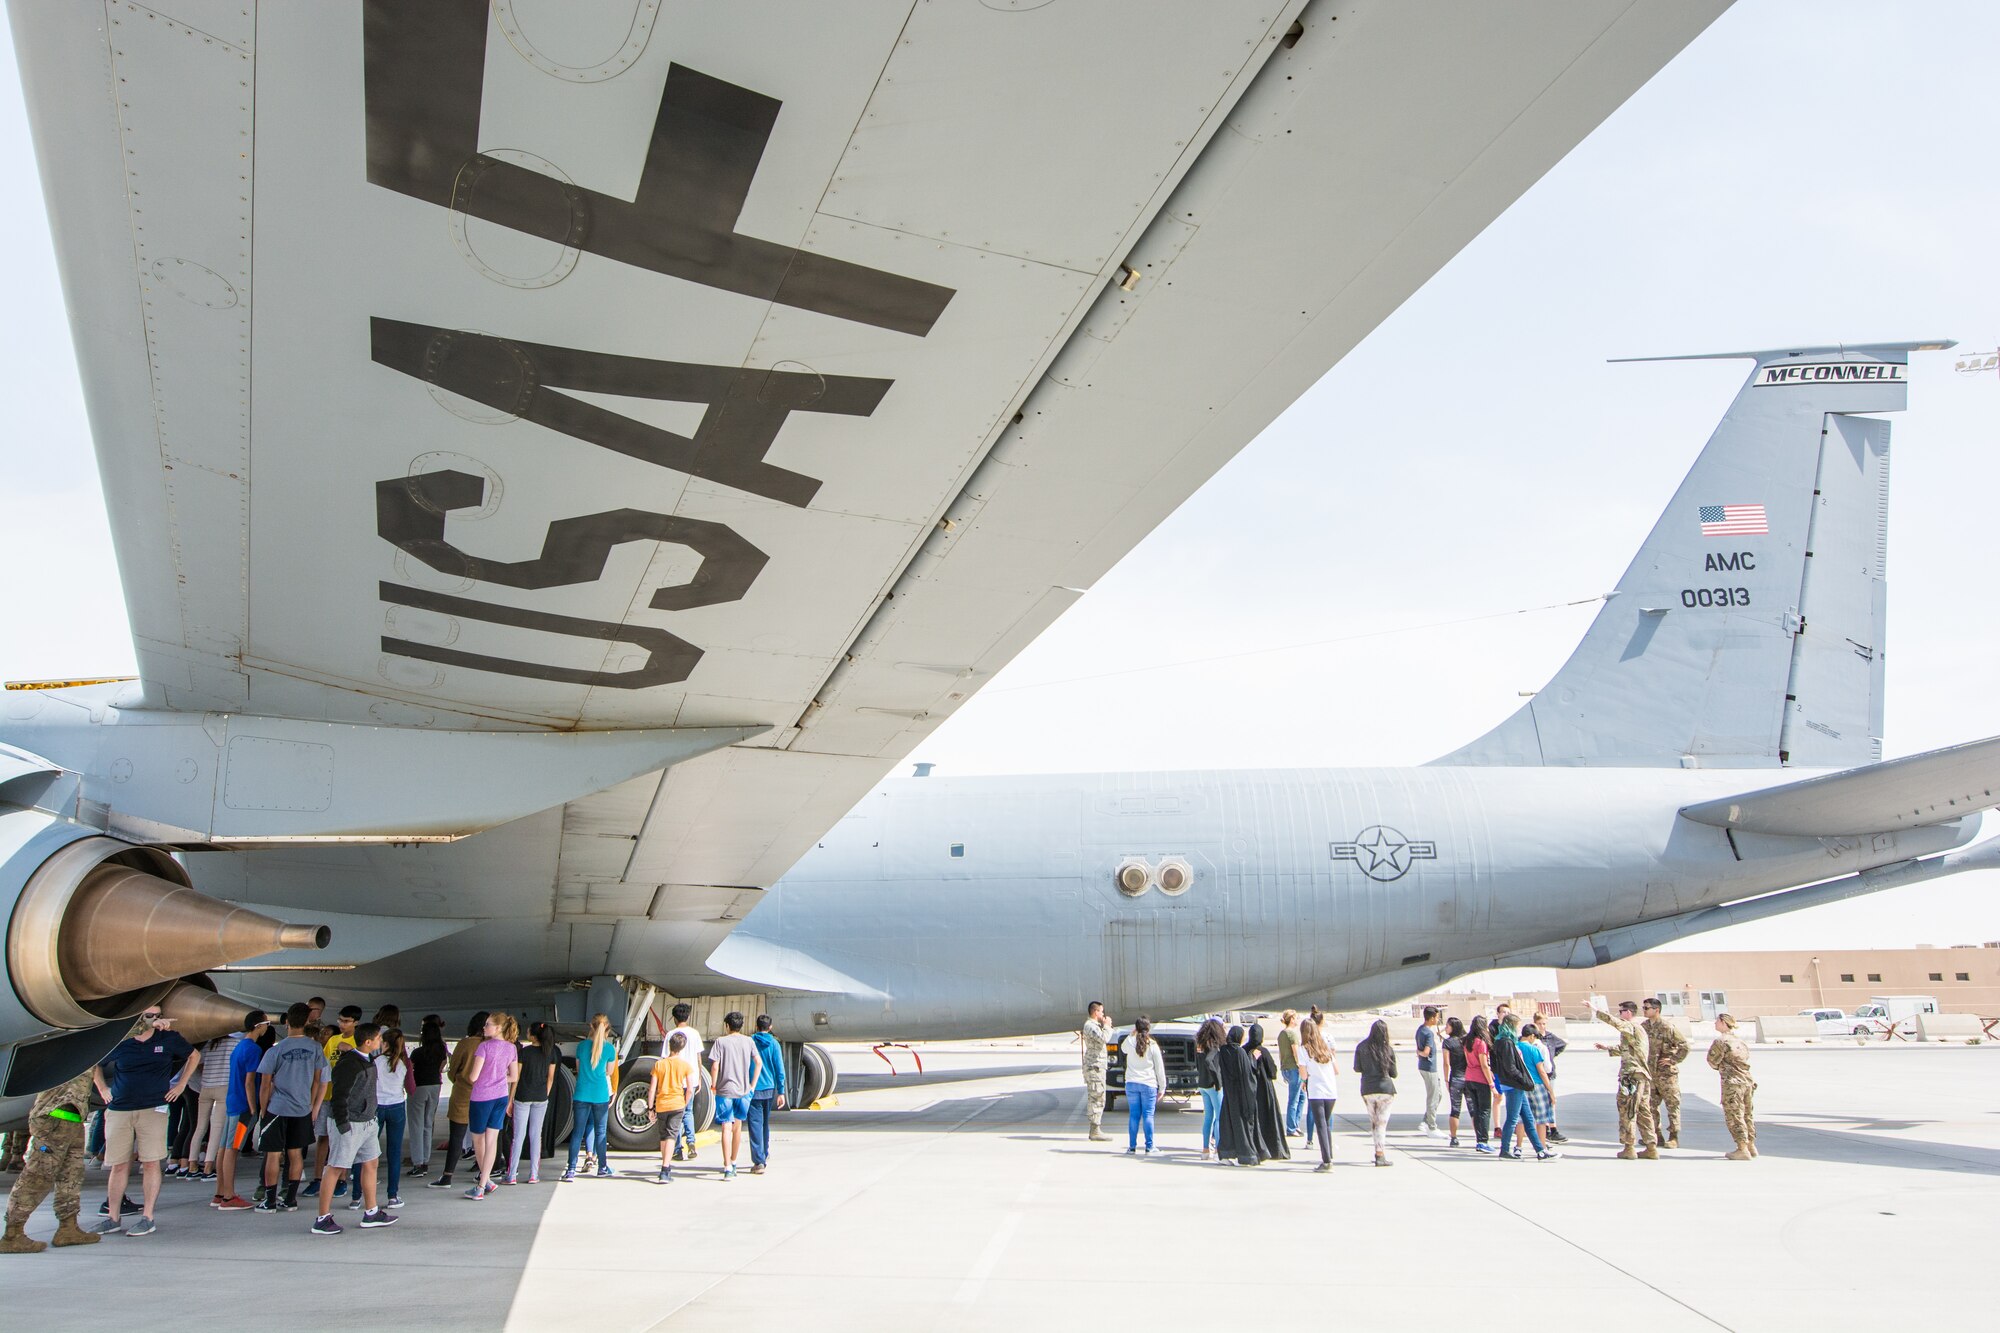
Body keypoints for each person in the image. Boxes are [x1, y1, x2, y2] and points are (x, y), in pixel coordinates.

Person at [91, 1007, 199, 1236]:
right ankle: (113, 1216)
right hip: (120, 1107)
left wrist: (180, 1086)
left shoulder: (168, 1039)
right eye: (148, 1015)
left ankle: (147, 1216)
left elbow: (194, 1055)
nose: (154, 1018)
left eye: (157, 1014)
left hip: (153, 1107)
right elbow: (96, 1062)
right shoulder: (123, 1041)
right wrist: (102, 1088)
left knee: (150, 1162)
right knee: (118, 1165)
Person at [1, 1068, 101, 1253]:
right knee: (39, 1174)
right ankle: (12, 1234)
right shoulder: (71, 1043)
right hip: (55, 1115)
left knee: (71, 1174)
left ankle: (68, 1227)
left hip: (73, 1116)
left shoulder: (89, 1047)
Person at [313, 1023, 397, 1234]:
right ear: (368, 1042)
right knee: (335, 1167)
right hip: (349, 1123)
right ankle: (322, 1218)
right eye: (378, 1039)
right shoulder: (349, 1064)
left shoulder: (367, 1059)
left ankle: (371, 1212)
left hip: (367, 1122)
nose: (380, 1042)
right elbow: (339, 1096)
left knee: (371, 1163)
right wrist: (343, 1125)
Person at [256, 1002, 328, 1213]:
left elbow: (265, 1084)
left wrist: (263, 1109)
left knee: (273, 1154)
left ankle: (269, 1201)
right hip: (302, 1108)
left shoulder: (275, 1050)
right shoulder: (315, 1048)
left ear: (286, 1021)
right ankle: (290, 1199)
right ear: (307, 1021)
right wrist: (310, 1104)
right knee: (295, 1153)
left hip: (277, 1108)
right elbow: (317, 1081)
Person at [305, 1004, 363, 1201]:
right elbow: (323, 1068)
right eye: (340, 1020)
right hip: (328, 1096)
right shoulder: (332, 1040)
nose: (342, 1024)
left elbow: (365, 1066)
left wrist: (350, 1051)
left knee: (343, 1140)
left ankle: (341, 1179)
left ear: (356, 1023)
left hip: (346, 1098)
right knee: (322, 1137)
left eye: (346, 1021)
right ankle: (317, 1177)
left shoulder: (359, 1042)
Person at [214, 1009, 269, 1210]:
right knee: (233, 1148)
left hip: (232, 1102)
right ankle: (228, 1196)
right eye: (266, 1024)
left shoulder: (239, 1046)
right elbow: (249, 1082)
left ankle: (220, 1192)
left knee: (224, 1147)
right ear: (259, 1026)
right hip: (243, 1106)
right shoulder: (253, 1050)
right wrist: (254, 1108)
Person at [462, 1012, 519, 1199]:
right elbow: (514, 1076)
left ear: (498, 1028)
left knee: (478, 1140)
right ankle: (486, 1181)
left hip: (481, 1097)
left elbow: (473, 1077)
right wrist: (499, 1078)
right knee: (492, 1140)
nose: (484, 1028)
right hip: (500, 1096)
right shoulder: (511, 1049)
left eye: (488, 1025)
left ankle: (481, 1184)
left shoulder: (483, 1047)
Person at [1592, 999, 1658, 1160]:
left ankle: (1629, 1147)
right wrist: (1607, 1048)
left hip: (1631, 1076)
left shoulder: (1631, 1025)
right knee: (1643, 1111)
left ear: (1628, 1013)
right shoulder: (1639, 1030)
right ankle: (1651, 1146)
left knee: (1627, 1109)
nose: (1619, 1015)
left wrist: (1595, 1009)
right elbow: (1626, 1049)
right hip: (1641, 1075)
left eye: (1621, 1012)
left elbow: (1616, 1023)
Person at [427, 1011, 485, 1190]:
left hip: (462, 1093)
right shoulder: (491, 1045)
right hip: (484, 1094)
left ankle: (447, 1176)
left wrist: (459, 1079)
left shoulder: (465, 1044)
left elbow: (453, 1070)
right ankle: (485, 1172)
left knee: (457, 1137)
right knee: (484, 1137)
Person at [708, 1011, 762, 1180]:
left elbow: (715, 1066)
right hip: (743, 1091)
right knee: (737, 1127)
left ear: (727, 1025)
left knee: (726, 1127)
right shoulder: (748, 1041)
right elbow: (758, 1063)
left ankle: (727, 1166)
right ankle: (734, 1160)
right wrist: (752, 1085)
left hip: (724, 1091)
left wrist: (713, 1085)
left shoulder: (720, 1042)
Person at [1491, 1015, 1553, 1161]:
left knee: (1528, 1118)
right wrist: (1524, 1080)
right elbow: (1510, 1067)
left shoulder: (1501, 1041)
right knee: (1513, 1119)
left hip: (1513, 1084)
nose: (1518, 1029)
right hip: (1514, 1085)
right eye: (1516, 1025)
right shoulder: (1506, 1042)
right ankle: (1504, 1150)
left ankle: (1540, 1151)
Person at [566, 1013, 619, 1182]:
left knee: (578, 1132)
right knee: (601, 1132)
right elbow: (609, 1072)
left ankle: (571, 1170)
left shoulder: (581, 1047)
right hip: (600, 1094)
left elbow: (579, 1068)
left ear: (591, 1027)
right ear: (607, 1030)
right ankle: (602, 1167)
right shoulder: (610, 1049)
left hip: (582, 1093)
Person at [506, 1022, 557, 1185]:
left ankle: (512, 1174)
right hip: (541, 1097)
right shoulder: (551, 1053)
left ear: (532, 1036)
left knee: (518, 1137)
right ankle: (534, 1174)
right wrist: (545, 1094)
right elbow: (550, 1078)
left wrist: (510, 1099)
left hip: (523, 1097)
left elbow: (516, 1078)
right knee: (536, 1136)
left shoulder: (524, 1052)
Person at [1640, 998, 1691, 1149]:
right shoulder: (1643, 1027)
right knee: (1650, 1106)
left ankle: (1674, 1136)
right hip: (1650, 1073)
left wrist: (1673, 1060)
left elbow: (1684, 1046)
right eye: (1643, 1007)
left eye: (1647, 1008)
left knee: (1672, 1105)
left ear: (1656, 1010)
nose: (1644, 1010)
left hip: (1666, 1074)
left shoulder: (1667, 1027)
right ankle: (1656, 1135)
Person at [648, 1032, 698, 1183]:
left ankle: (666, 1165)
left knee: (664, 1136)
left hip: (662, 1104)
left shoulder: (659, 1064)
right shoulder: (685, 1066)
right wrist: (684, 1102)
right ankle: (665, 1169)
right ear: (682, 1048)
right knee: (671, 1136)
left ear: (669, 1045)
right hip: (677, 1104)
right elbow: (690, 1089)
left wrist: (651, 1108)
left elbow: (652, 1089)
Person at [1707, 1013, 1758, 1160]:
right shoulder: (1739, 1041)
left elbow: (1712, 1061)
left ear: (1723, 1023)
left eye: (1717, 1021)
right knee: (1747, 1114)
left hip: (1732, 1082)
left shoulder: (1721, 1041)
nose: (1715, 1023)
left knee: (1734, 1115)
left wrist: (1724, 1068)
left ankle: (1742, 1148)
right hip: (1747, 1081)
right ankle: (1751, 1145)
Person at [1214, 1027, 1265, 1166]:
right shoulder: (1240, 1052)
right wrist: (1254, 1059)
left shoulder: (1223, 1050)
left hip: (1228, 1093)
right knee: (1241, 1125)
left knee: (1227, 1124)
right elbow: (1247, 1074)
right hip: (1240, 1093)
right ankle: (1245, 1155)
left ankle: (1225, 1154)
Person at [372, 1028, 411, 1207]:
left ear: (384, 1043)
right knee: (394, 1153)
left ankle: (357, 1197)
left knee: (367, 1151)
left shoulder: (375, 1062)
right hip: (396, 1106)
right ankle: (393, 1195)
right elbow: (411, 1087)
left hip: (377, 1106)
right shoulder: (403, 1063)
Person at [1352, 1019, 1398, 1167]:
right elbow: (1394, 1073)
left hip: (1368, 1088)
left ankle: (1378, 1152)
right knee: (1382, 1123)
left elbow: (1357, 1068)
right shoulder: (1388, 1049)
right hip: (1385, 1089)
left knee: (1374, 1122)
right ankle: (1380, 1154)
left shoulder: (1362, 1047)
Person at [1297, 1018, 1339, 1173]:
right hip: (1331, 1090)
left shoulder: (1304, 1049)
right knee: (1326, 1123)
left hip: (1316, 1091)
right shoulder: (1325, 1048)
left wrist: (1305, 1078)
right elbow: (1336, 1070)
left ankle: (1326, 1161)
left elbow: (1303, 1073)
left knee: (1320, 1124)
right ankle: (1330, 1156)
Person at [1120, 1017, 1167, 1155]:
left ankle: (1132, 1147)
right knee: (1148, 1115)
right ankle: (1149, 1146)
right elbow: (1159, 1068)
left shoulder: (1130, 1042)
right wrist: (1162, 1087)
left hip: (1132, 1083)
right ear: (1149, 1028)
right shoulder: (1152, 1045)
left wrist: (1131, 1034)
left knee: (1134, 1115)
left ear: (1136, 1028)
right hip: (1148, 1083)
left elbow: (1123, 1049)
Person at [747, 1015, 787, 1175]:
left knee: (755, 1124)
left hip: (753, 1087)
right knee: (764, 1123)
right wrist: (781, 1091)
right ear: (770, 1027)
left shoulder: (750, 1041)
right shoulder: (774, 1044)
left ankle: (759, 1161)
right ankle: (765, 1151)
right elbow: (779, 1068)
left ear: (756, 1026)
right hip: (769, 1089)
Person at [1244, 1024, 1291, 1162]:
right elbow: (1272, 1071)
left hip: (1249, 1091)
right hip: (1264, 1091)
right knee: (1268, 1119)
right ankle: (1272, 1150)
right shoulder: (1263, 1051)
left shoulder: (1243, 1050)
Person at [407, 1016, 447, 1176]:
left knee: (416, 1124)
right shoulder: (441, 1050)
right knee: (428, 1124)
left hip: (419, 1086)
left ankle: (418, 1163)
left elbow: (410, 1069)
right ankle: (425, 1160)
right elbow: (442, 1065)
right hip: (435, 1086)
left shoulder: (417, 1052)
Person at [669, 1002, 704, 1161]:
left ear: (674, 1018)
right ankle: (691, 1143)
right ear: (688, 1017)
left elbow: (667, 1058)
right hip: (692, 1078)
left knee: (676, 1115)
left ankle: (677, 1149)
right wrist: (699, 1078)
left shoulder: (671, 1034)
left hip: (676, 1079)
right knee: (688, 1112)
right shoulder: (695, 1033)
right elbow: (698, 1057)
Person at [1528, 1018, 1569, 1144]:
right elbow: (1542, 1068)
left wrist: (1552, 1055)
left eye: (1544, 1023)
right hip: (1539, 1077)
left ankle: (1552, 1129)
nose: (1542, 1026)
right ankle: (1543, 1134)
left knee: (1550, 1103)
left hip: (1549, 1075)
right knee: (1541, 1106)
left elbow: (1561, 1045)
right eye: (1539, 1024)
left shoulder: (1550, 1038)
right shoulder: (1534, 1043)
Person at [1079, 1001, 1113, 1143]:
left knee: (1099, 1096)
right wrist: (1107, 1026)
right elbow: (1104, 1038)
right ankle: (1095, 1130)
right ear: (1095, 1012)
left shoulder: (1094, 1026)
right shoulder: (1090, 1026)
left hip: (1097, 1067)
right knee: (1096, 1097)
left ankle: (1096, 1128)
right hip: (1094, 1067)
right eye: (1101, 1012)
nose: (1103, 1015)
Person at [1461, 1016, 1496, 1154]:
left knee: (1476, 1110)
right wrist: (1491, 1084)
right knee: (1485, 1110)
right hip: (1480, 1079)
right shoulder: (1481, 1043)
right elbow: (1484, 1065)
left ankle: (1479, 1139)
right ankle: (1483, 1140)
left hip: (1469, 1077)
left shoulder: (1467, 1042)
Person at [1193, 1018, 1226, 1161]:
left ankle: (1205, 1149)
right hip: (1213, 1086)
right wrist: (1217, 1081)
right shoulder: (1214, 1046)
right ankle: (1218, 1149)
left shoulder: (1200, 1045)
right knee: (1219, 1118)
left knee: (1208, 1117)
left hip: (1202, 1084)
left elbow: (1199, 1063)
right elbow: (1209, 1061)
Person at [1415, 1005, 1444, 1138]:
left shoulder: (1420, 1030)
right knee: (1433, 1097)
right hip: (1429, 1067)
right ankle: (1431, 1126)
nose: (1438, 1020)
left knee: (1438, 1094)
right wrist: (1420, 1053)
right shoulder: (1428, 1033)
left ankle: (1426, 1121)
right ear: (1432, 1018)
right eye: (1437, 1017)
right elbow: (1426, 1052)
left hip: (1424, 1066)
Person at [1277, 1010, 1306, 1137]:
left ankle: (1295, 1124)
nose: (1298, 1020)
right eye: (1296, 1018)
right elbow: (1296, 1053)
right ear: (1292, 1019)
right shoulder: (1292, 1034)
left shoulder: (1281, 1034)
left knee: (1301, 1097)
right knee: (1294, 1099)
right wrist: (1301, 1067)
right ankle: (1291, 1127)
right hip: (1294, 1068)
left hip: (1286, 1068)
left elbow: (1281, 1053)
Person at [1442, 1017, 1469, 1147]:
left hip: (1456, 1077)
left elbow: (1446, 1063)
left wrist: (1446, 1079)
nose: (1446, 1028)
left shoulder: (1448, 1043)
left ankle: (1454, 1137)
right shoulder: (1466, 1040)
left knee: (1455, 1108)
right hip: (1469, 1077)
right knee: (1473, 1108)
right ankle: (1479, 1137)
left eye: (1447, 1026)